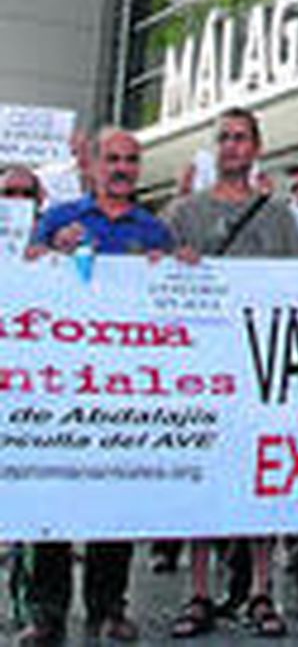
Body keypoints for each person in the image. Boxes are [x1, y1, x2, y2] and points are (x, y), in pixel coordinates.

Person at [21, 129, 173, 645]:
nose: (122, 168)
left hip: (126, 389)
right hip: (63, 383)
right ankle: (46, 613)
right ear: (94, 165)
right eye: (113, 158)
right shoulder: (60, 220)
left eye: (131, 160)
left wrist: (177, 269)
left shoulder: (154, 230)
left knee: (115, 498)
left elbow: (177, 304)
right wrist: (44, 252)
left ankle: (110, 606)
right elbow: (20, 277)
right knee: (54, 499)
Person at [165, 108, 298, 639]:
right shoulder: (184, 211)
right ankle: (198, 592)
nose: (231, 147)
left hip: (259, 368)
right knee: (205, 481)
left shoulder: (279, 215)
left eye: (241, 138)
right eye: (223, 138)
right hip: (203, 369)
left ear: (256, 147)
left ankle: (261, 591)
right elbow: (152, 277)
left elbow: (297, 285)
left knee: (259, 482)